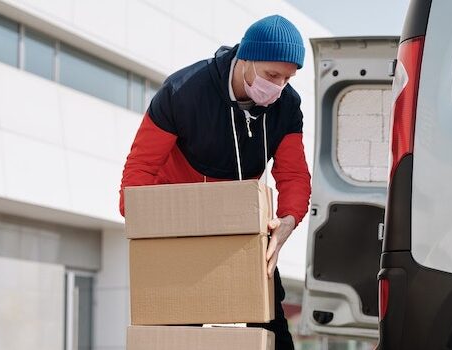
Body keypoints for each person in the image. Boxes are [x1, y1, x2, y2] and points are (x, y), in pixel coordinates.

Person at [119, 14, 311, 349]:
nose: (279, 86)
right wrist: (143, 222)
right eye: (272, 75)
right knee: (177, 332)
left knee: (273, 329)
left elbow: (293, 175)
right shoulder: (183, 92)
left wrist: (288, 221)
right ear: (246, 59)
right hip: (178, 224)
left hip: (240, 226)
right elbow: (141, 167)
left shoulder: (287, 107)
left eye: (287, 78)